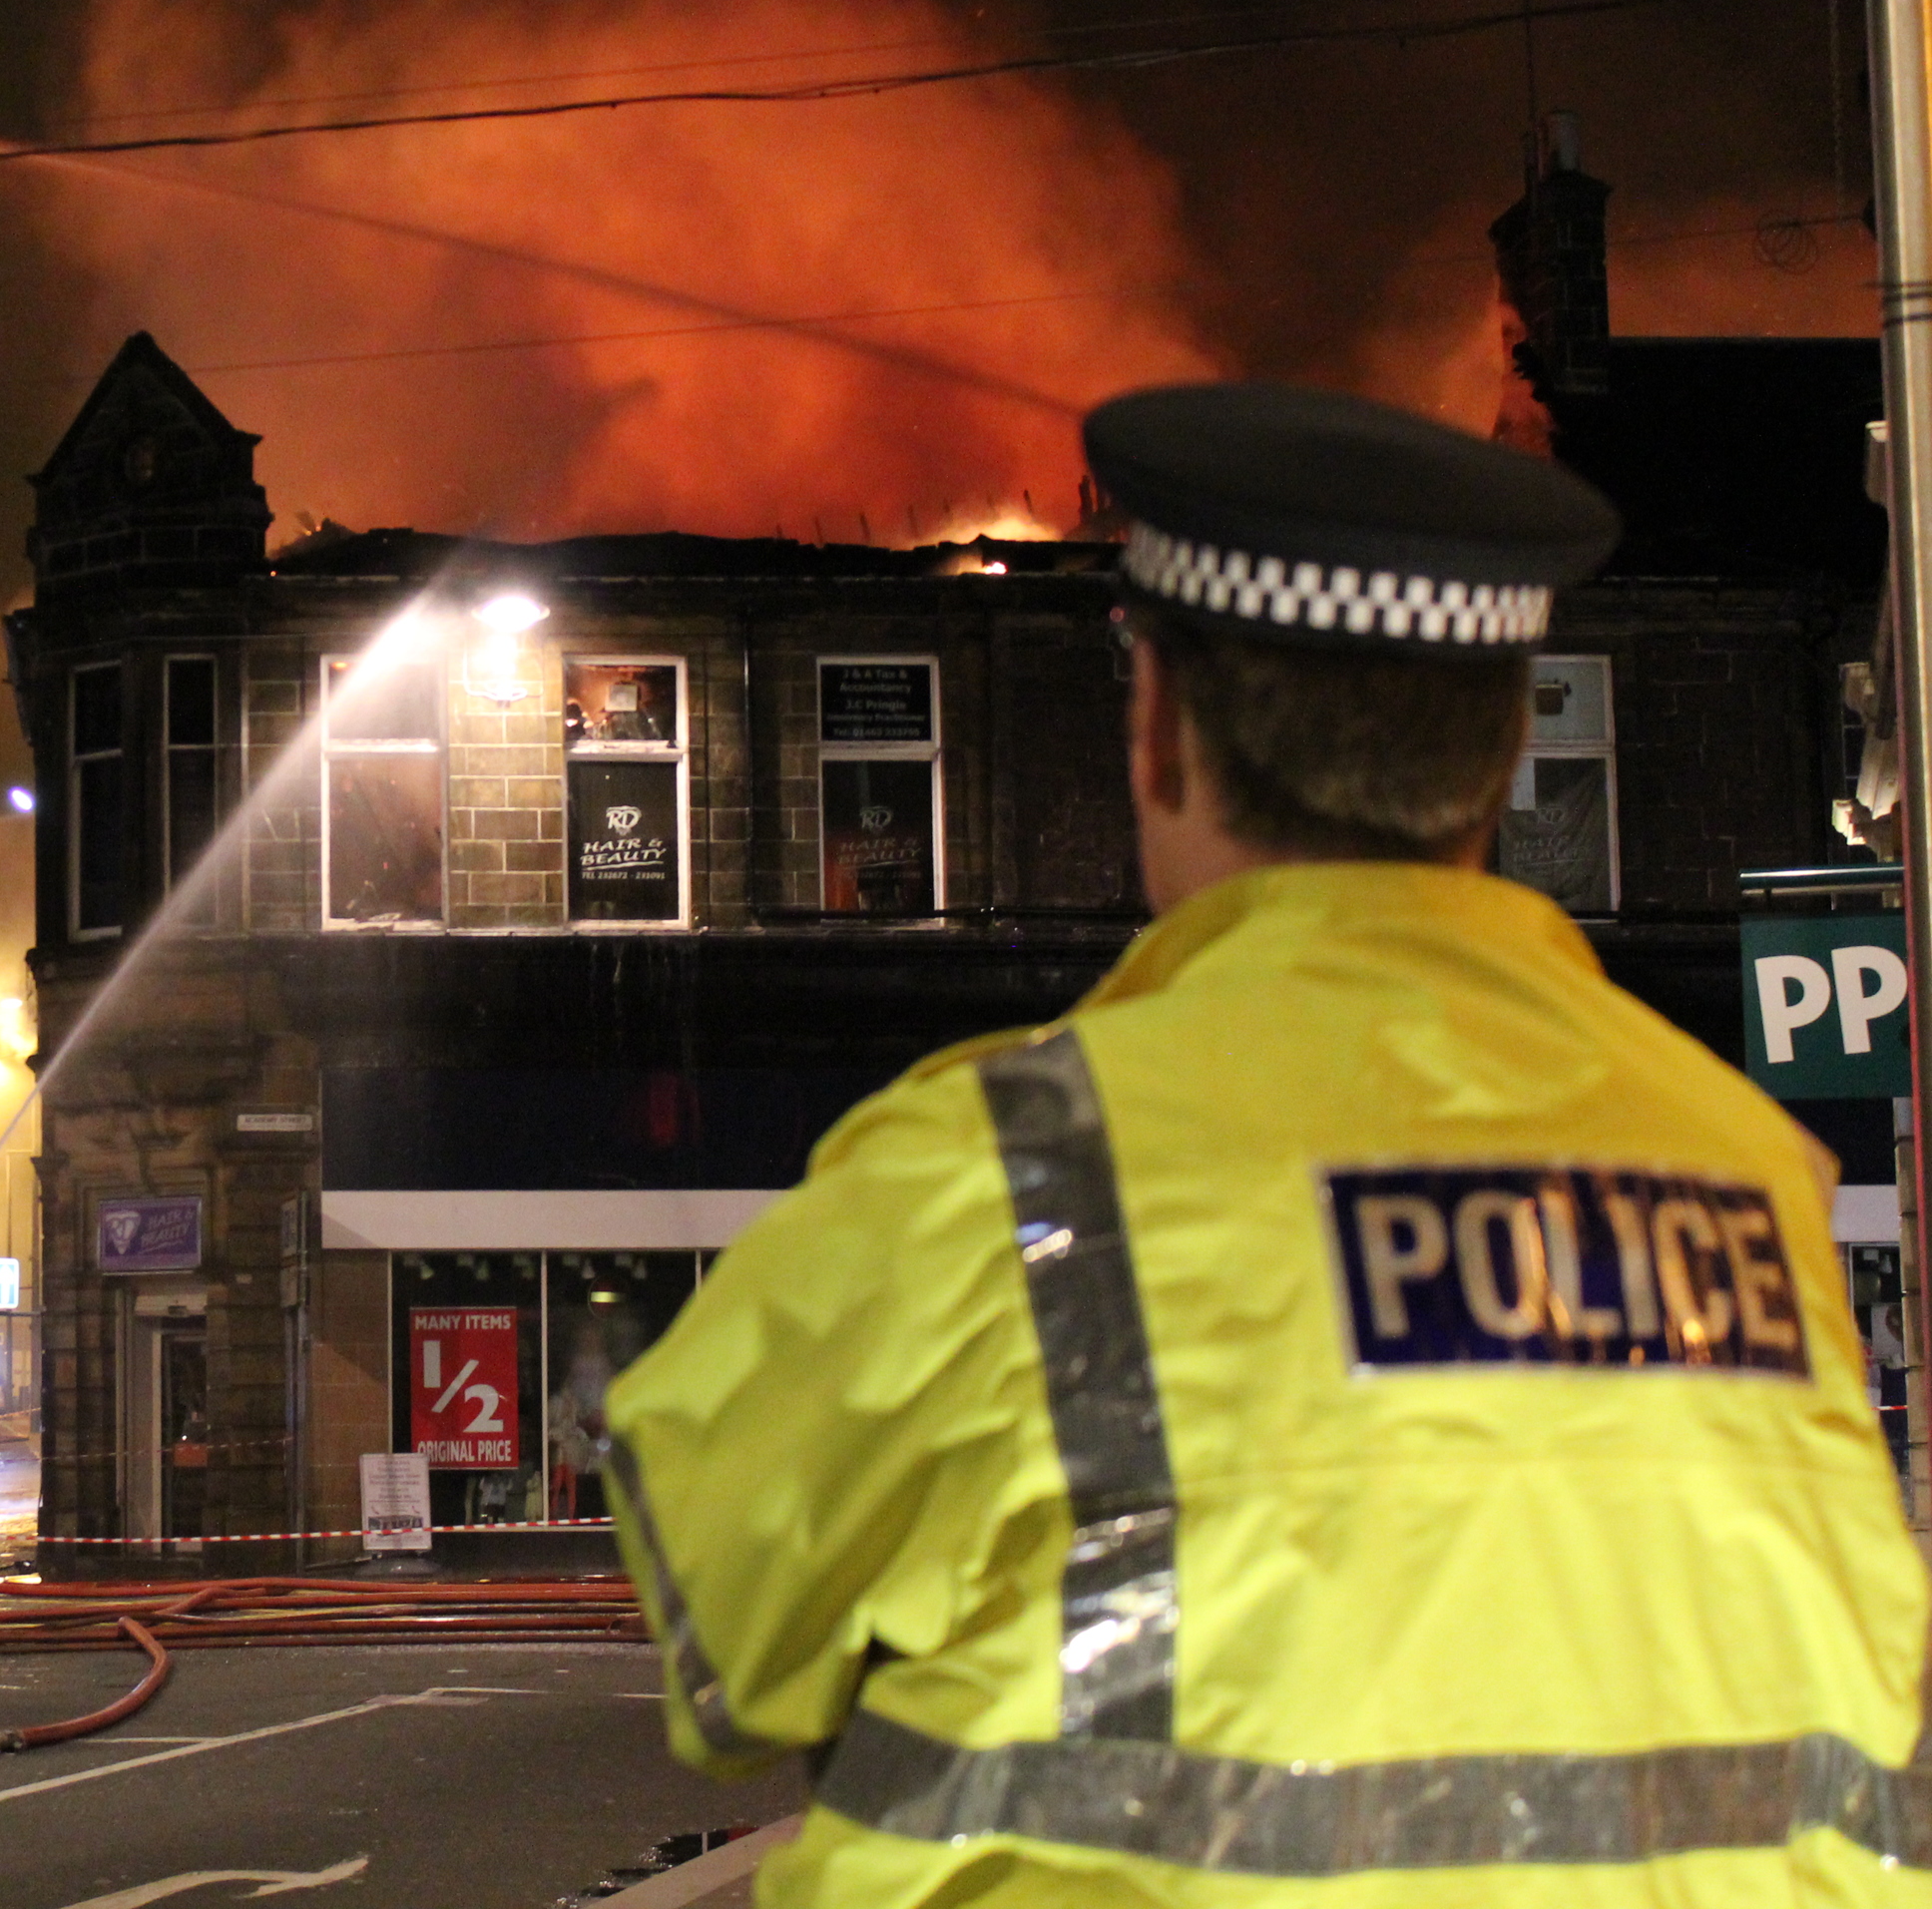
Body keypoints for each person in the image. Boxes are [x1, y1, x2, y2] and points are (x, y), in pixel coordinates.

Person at [604, 381, 1928, 1906]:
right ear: (1503, 761)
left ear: (1158, 726)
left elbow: (723, 1640)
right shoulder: (1747, 1170)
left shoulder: (1009, 1170)